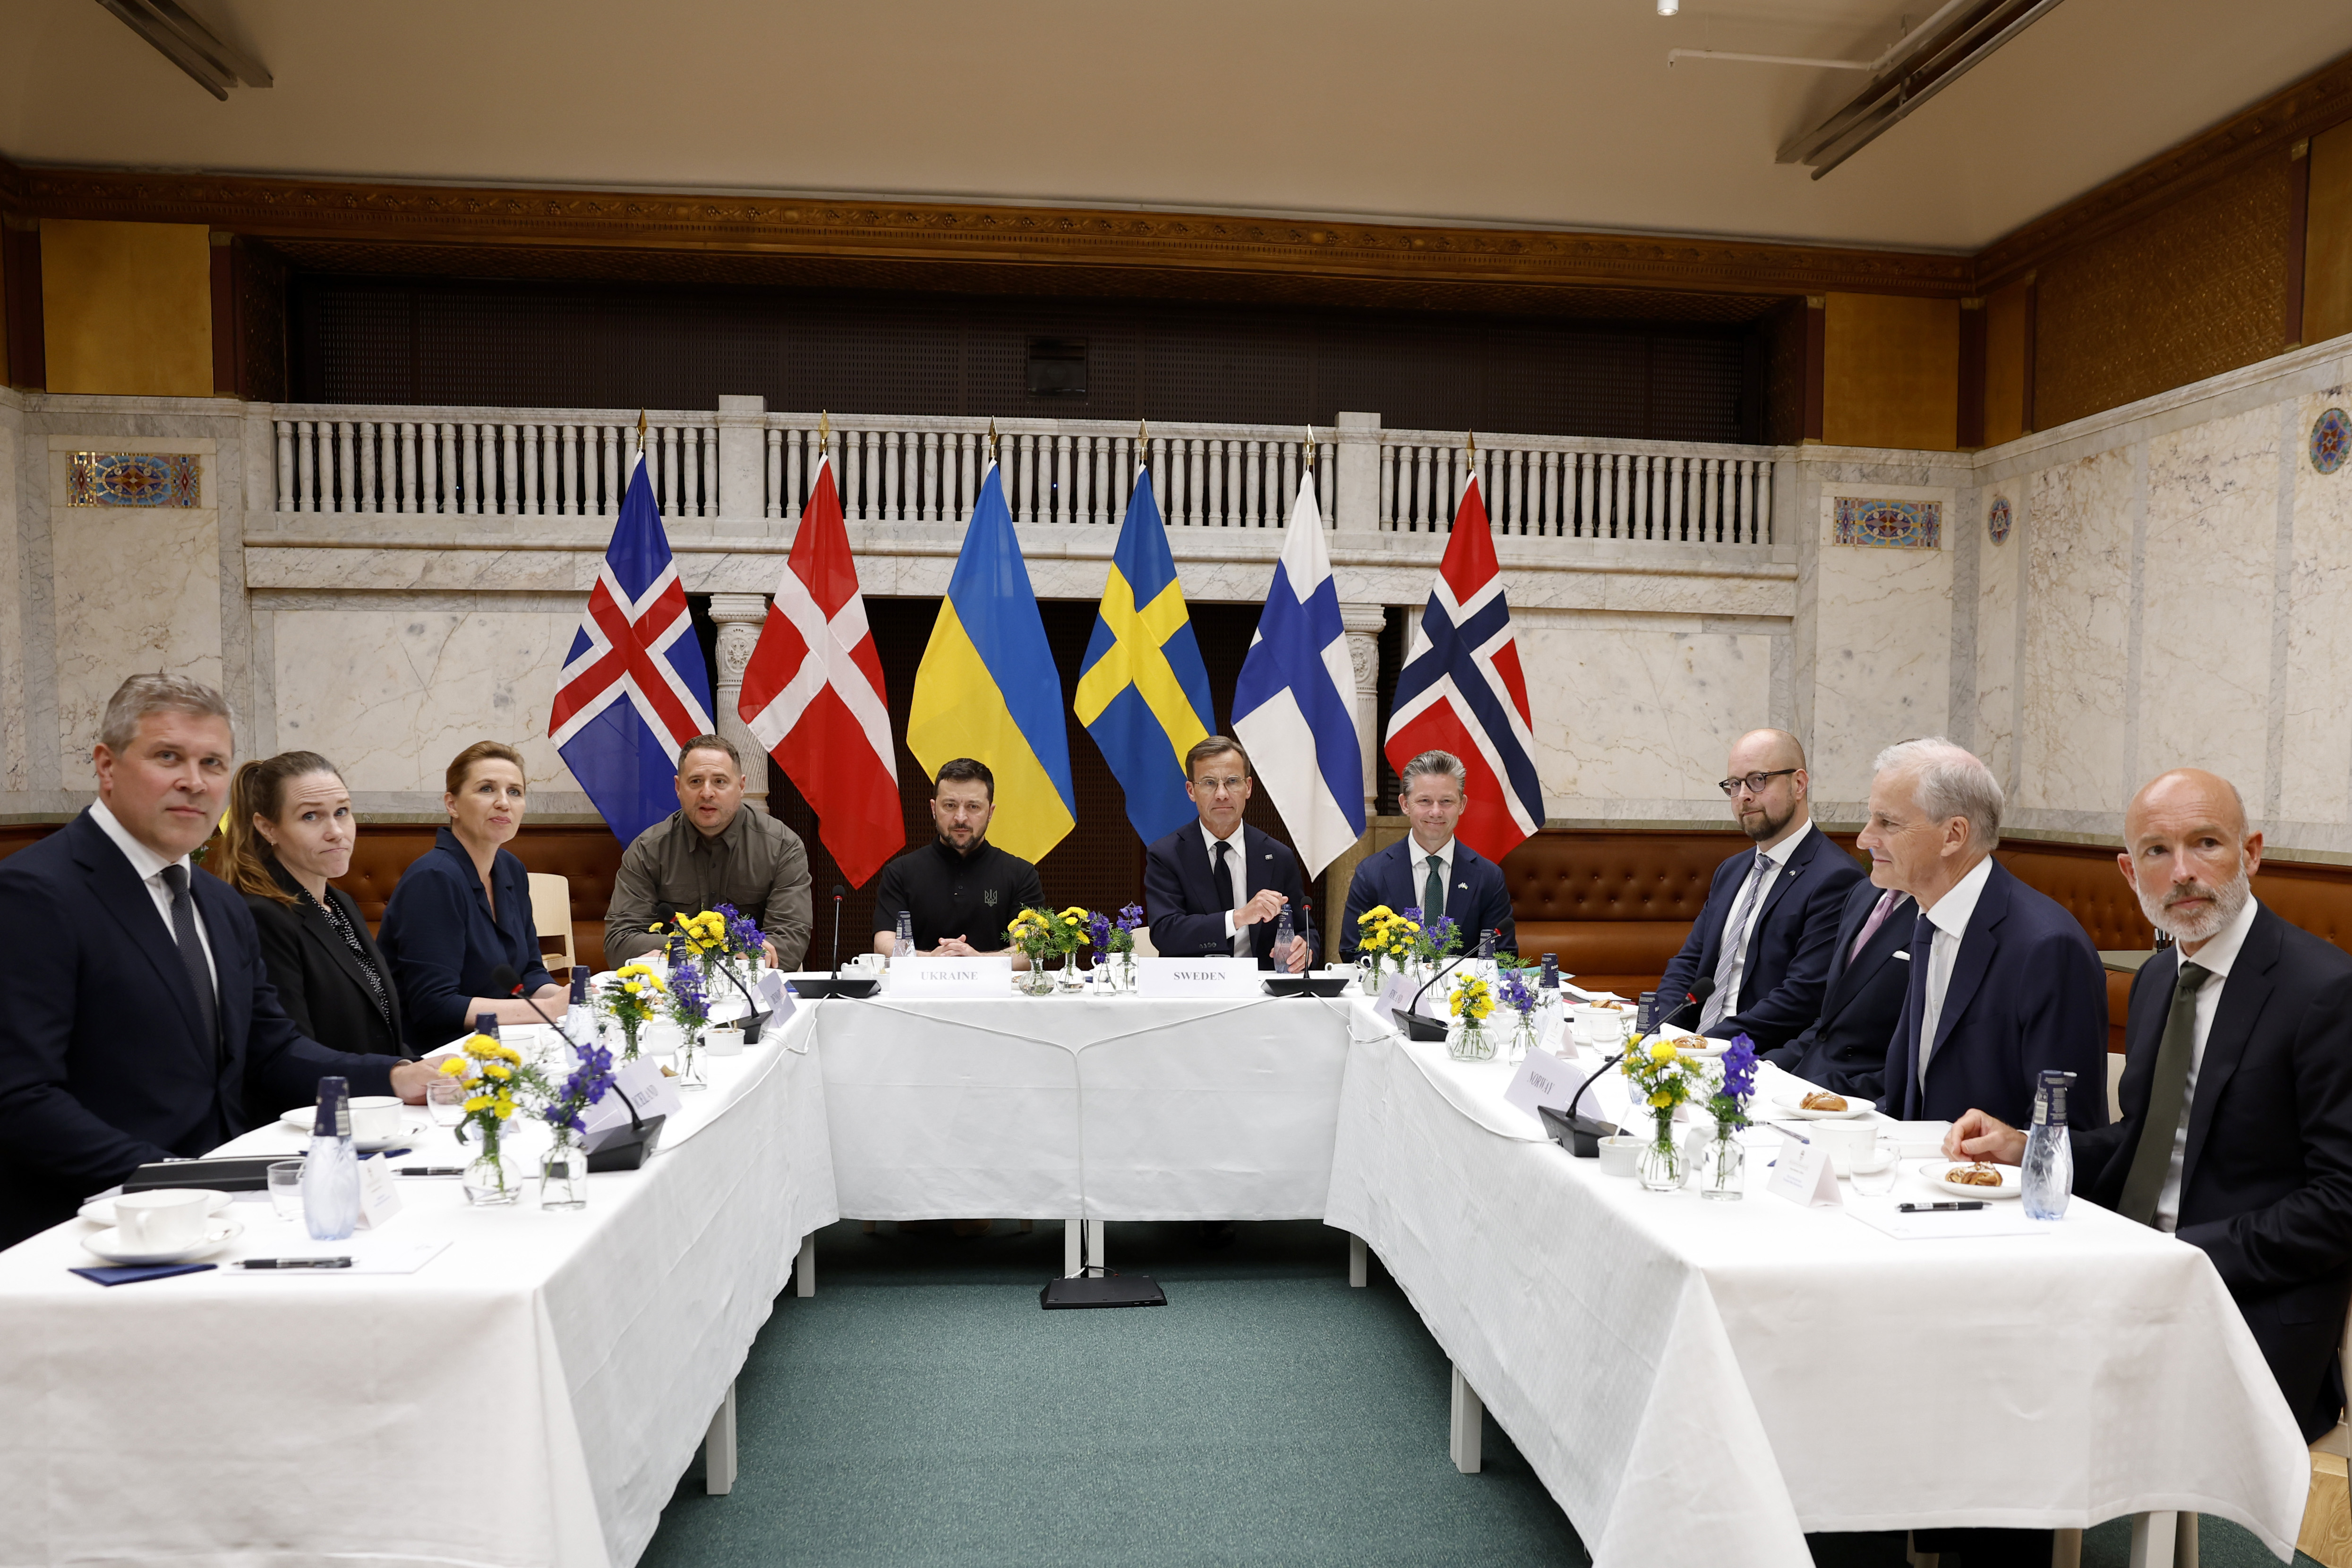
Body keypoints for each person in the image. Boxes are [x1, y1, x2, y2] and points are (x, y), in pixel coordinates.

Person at [1947, 769, 2352, 1442]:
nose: (2181, 872)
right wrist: (2031, 1147)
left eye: (2205, 844)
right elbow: (2146, 1136)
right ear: (2127, 870)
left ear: (2249, 853)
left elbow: (2339, 1201)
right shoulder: (2158, 978)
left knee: (2018, 1394)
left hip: (2242, 1300)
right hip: (2129, 1269)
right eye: (2155, 852)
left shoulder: (2323, 991)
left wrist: (2175, 1253)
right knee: (1971, 1345)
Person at [0, 675, 441, 1248]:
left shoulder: (219, 903)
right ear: (106, 766)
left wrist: (390, 1076)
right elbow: (21, 1096)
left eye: (213, 763)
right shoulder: (33, 893)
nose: (194, 781)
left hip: (222, 1213)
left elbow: (273, 1048)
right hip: (91, 1228)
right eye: (168, 756)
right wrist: (171, 1178)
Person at [1860, 737, 2106, 1130]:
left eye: (1887, 823)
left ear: (1953, 835)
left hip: (1991, 1184)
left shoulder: (2047, 948)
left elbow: (2066, 1130)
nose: (1864, 839)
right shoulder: (1928, 916)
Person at [1653, 729, 1862, 1048]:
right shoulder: (1731, 870)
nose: (1743, 796)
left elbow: (1801, 999)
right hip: (1693, 1048)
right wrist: (1660, 1031)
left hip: (1760, 1059)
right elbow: (1688, 964)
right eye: (1734, 785)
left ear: (1799, 784)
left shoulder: (1836, 878)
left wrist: (1703, 1046)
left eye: (1758, 780)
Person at [215, 750, 407, 1059]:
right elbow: (289, 1055)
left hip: (377, 1096)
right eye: (310, 816)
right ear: (268, 829)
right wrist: (396, 1076)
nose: (335, 832)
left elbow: (380, 1026)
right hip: (322, 1103)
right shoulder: (262, 914)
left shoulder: (339, 901)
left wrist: (424, 1069)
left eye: (342, 812)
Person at [377, 741, 568, 1052]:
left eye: (515, 792)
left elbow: (530, 971)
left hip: (501, 1042)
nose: (504, 803)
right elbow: (435, 1006)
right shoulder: (433, 878)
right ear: (452, 805)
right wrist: (545, 1011)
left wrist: (568, 998)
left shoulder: (511, 868)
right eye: (487, 789)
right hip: (437, 1054)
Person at [604, 734, 813, 968]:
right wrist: (715, 950)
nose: (707, 793)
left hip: (754, 988)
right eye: (695, 782)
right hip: (672, 990)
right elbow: (619, 942)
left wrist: (684, 952)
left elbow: (790, 941)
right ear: (678, 787)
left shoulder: (782, 846)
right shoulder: (647, 850)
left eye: (720, 781)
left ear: (741, 786)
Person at [1145, 736, 1316, 973]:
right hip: (1191, 991)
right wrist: (1239, 917)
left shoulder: (1277, 856)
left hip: (1262, 995)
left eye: (1232, 781)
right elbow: (1166, 932)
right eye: (1209, 783)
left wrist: (1305, 950)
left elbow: (1305, 929)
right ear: (1191, 791)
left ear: (1248, 787)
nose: (1222, 794)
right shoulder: (1166, 855)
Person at [1340, 749, 1516, 961]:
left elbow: (1504, 957)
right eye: (1424, 801)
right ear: (1405, 804)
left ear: (1462, 805)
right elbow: (1352, 951)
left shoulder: (1489, 877)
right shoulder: (1371, 874)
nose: (1436, 812)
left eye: (1446, 802)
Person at [1762, 875, 1914, 1103]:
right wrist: (1773, 1065)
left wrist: (1823, 1091)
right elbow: (1831, 1019)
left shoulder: (1941, 910)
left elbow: (1918, 1058)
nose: (1864, 841)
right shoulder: (1863, 892)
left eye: (1891, 835)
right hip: (1807, 1082)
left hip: (1865, 1099)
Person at [872, 758, 1043, 959]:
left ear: (990, 812)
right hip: (921, 989)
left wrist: (978, 961)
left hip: (995, 990)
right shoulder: (900, 872)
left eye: (973, 807)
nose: (961, 818)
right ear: (934, 809)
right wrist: (931, 960)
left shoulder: (1021, 874)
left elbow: (1032, 949)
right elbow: (883, 944)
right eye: (950, 805)